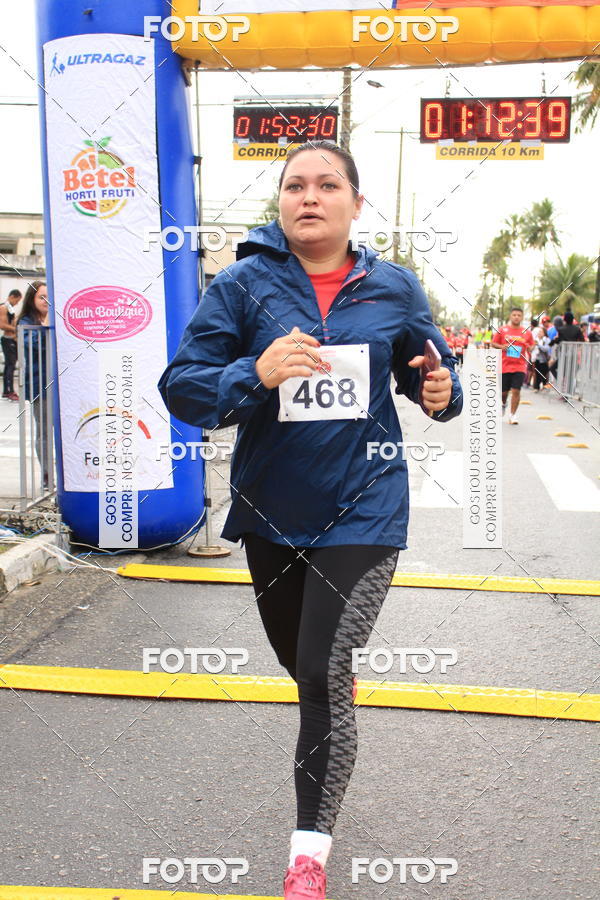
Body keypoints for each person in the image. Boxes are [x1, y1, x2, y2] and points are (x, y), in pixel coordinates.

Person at [158, 141, 463, 900]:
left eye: (328, 184)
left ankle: (307, 856)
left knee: (323, 673)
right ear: (281, 202)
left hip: (366, 506)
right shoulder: (241, 286)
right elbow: (182, 388)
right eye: (295, 184)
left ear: (356, 204)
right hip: (272, 512)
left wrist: (440, 393)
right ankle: (331, 702)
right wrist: (253, 374)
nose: (310, 196)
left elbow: (435, 374)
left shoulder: (394, 287)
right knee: (307, 671)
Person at [16, 281, 51, 487]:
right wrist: (46, 323)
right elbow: (37, 344)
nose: (46, 301)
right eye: (42, 297)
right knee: (44, 431)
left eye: (49, 297)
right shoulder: (26, 322)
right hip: (40, 384)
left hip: (61, 386)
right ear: (32, 299)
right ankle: (47, 476)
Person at [491, 306, 535, 424]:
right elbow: (493, 343)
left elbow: (531, 345)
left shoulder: (526, 332)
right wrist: (502, 347)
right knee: (504, 392)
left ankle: (513, 415)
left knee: (516, 390)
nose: (516, 317)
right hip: (504, 365)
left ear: (521, 317)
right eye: (514, 315)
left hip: (519, 366)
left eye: (519, 315)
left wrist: (531, 348)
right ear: (510, 316)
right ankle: (503, 404)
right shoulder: (502, 330)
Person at [1, 288, 21, 400]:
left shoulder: (10, 308)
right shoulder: (3, 307)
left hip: (11, 339)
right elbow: (2, 325)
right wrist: (16, 329)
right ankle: (10, 391)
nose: (17, 303)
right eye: (17, 300)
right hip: (7, 339)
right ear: (12, 296)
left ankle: (6, 391)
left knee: (10, 366)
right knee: (10, 366)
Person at [531, 320, 552, 390]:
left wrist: (539, 346)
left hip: (544, 360)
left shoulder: (547, 340)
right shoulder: (535, 340)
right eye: (539, 332)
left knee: (544, 373)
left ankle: (544, 385)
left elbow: (546, 349)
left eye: (541, 332)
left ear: (544, 333)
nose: (539, 333)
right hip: (536, 359)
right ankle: (536, 387)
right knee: (537, 373)